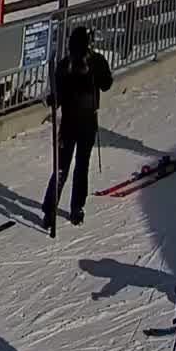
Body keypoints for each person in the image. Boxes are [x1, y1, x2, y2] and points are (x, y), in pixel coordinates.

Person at [42, 24, 113, 227]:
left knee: (62, 168)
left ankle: (51, 209)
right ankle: (75, 208)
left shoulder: (65, 65)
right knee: (81, 167)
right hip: (86, 124)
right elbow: (107, 84)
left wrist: (52, 100)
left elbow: (59, 97)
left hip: (70, 124)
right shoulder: (93, 62)